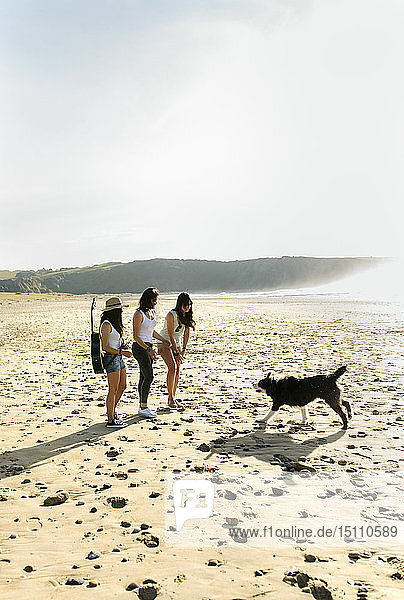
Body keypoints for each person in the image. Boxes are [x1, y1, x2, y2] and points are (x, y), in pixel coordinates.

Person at [132, 287, 168, 418]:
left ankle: (142, 405)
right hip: (140, 347)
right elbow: (136, 336)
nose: (156, 302)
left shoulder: (151, 312)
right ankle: (143, 407)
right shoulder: (138, 314)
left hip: (148, 345)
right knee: (149, 376)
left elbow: (150, 331)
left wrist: (163, 339)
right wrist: (149, 349)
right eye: (154, 299)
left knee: (143, 376)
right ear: (148, 299)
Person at [157, 292, 195, 410]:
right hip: (164, 341)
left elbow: (186, 334)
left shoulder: (187, 316)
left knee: (177, 370)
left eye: (189, 305)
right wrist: (175, 351)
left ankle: (173, 397)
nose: (187, 307)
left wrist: (183, 349)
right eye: (185, 305)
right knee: (172, 368)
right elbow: (170, 334)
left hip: (176, 343)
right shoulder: (171, 315)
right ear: (180, 304)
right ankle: (170, 398)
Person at [100, 297, 132, 428]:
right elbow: (105, 347)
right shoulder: (106, 325)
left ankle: (112, 411)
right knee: (112, 389)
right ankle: (110, 419)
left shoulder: (114, 324)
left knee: (123, 385)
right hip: (111, 358)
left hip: (118, 357)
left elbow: (114, 342)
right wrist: (121, 352)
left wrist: (123, 346)